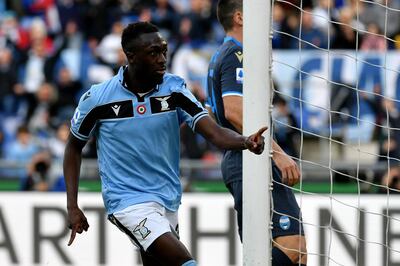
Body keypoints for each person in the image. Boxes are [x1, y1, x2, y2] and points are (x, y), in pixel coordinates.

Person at [63, 21, 267, 266]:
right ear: (131, 56)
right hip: (127, 202)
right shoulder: (98, 98)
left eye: (163, 51)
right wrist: (72, 206)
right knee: (184, 262)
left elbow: (213, 133)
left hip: (167, 198)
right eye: (153, 53)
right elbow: (73, 147)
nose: (162, 59)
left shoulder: (175, 90)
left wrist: (245, 141)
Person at [206, 1, 307, 265]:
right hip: (249, 158)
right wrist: (278, 154)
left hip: (247, 158)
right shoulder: (235, 54)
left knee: (297, 253)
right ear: (240, 17)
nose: (270, 17)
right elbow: (234, 111)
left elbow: (209, 110)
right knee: (290, 248)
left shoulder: (223, 55)